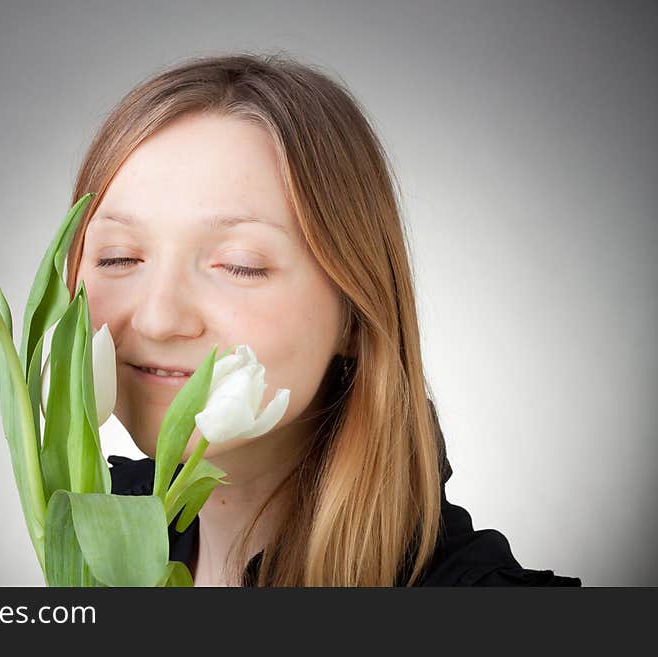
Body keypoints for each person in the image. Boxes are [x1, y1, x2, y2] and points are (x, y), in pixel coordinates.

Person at [64, 52, 582, 587]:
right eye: (118, 257)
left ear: (355, 313)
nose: (157, 318)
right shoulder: (84, 534)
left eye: (240, 264)